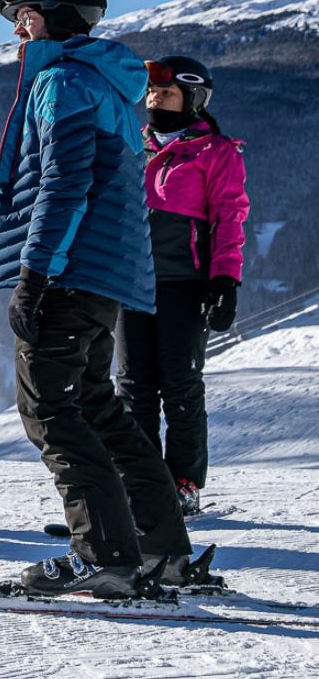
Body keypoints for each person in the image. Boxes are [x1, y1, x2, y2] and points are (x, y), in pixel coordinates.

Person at [0, 0, 192, 596]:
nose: (20, 27)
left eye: (26, 14)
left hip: (71, 271)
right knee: (100, 409)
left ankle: (103, 555)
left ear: (57, 14)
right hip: (107, 275)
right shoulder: (109, 83)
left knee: (50, 408)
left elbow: (64, 183)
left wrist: (34, 272)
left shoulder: (61, 82)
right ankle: (161, 552)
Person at [120, 55, 249, 515]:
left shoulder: (216, 152)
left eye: (167, 93)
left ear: (193, 99)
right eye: (152, 93)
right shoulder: (135, 145)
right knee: (133, 387)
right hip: (132, 282)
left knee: (180, 386)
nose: (155, 100)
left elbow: (229, 218)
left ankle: (183, 483)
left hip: (184, 283)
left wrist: (224, 281)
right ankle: (139, 483)